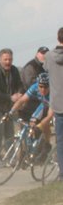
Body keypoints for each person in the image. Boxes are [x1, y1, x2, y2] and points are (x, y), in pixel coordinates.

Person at [0, 49, 24, 163]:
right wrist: (10, 97)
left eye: (10, 59)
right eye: (5, 59)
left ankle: (11, 157)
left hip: (7, 105)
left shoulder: (14, 70)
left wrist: (20, 93)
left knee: (9, 131)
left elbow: (19, 84)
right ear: (0, 60)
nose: (8, 62)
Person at [43, 28, 63, 180]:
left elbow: (45, 70)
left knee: (60, 141)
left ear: (57, 39)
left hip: (57, 104)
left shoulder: (49, 56)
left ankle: (62, 174)